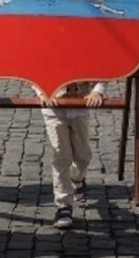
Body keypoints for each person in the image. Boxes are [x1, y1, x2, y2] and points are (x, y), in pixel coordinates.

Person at [36, 81, 108, 230]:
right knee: (61, 155)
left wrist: (97, 91)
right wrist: (43, 91)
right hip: (54, 109)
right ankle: (63, 205)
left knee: (83, 156)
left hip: (80, 107)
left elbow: (103, 70)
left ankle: (77, 178)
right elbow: (34, 69)